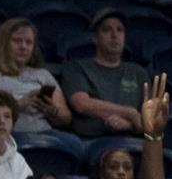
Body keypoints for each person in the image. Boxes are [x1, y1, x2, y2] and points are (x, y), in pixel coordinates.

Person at [0, 19, 69, 135]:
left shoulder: (43, 74)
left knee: (75, 144)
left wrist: (51, 111)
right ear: (2, 43)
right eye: (17, 41)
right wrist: (17, 104)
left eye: (29, 42)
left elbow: (66, 118)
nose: (23, 47)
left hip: (43, 133)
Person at [60, 10, 148, 139]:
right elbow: (81, 104)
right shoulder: (76, 67)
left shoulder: (139, 73)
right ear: (95, 38)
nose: (114, 35)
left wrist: (129, 125)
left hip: (131, 140)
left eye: (120, 30)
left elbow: (150, 123)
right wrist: (131, 113)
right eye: (107, 30)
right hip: (90, 140)